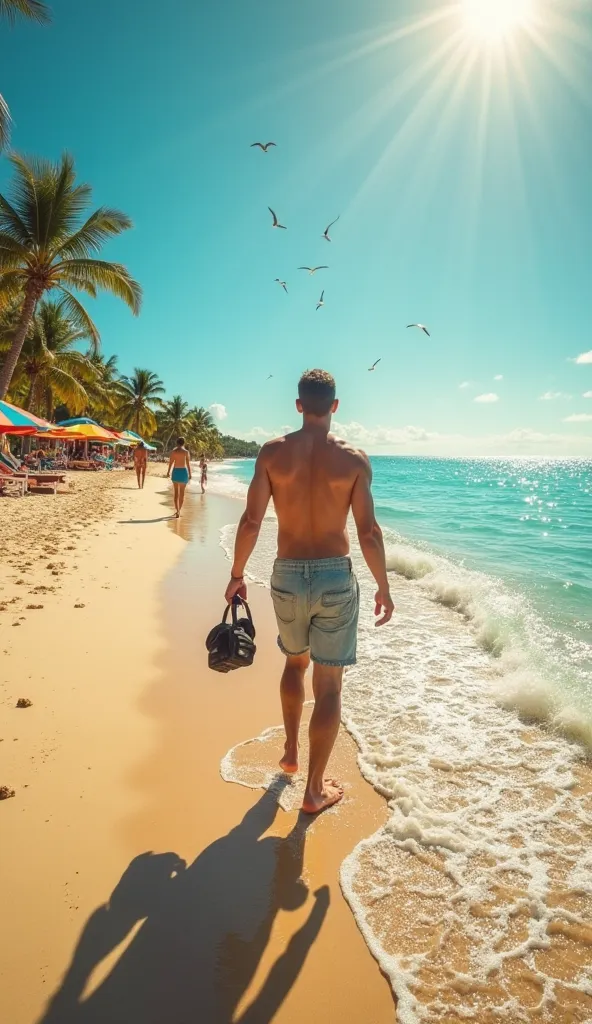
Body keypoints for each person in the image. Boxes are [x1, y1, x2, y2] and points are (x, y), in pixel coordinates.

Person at [225, 369, 394, 815]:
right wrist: (383, 585)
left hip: (285, 572)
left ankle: (290, 753)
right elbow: (368, 531)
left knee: (293, 663)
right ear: (335, 406)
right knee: (329, 683)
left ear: (299, 405)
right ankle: (314, 791)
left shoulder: (272, 453)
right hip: (335, 577)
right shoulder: (355, 460)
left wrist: (237, 573)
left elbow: (251, 522)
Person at [167, 437, 192, 517]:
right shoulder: (186, 452)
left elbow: (171, 462)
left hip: (176, 471)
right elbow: (188, 464)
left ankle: (177, 510)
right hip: (183, 472)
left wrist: (168, 472)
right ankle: (179, 511)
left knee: (176, 493)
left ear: (177, 443)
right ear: (183, 443)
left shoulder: (174, 452)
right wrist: (190, 473)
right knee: (182, 494)